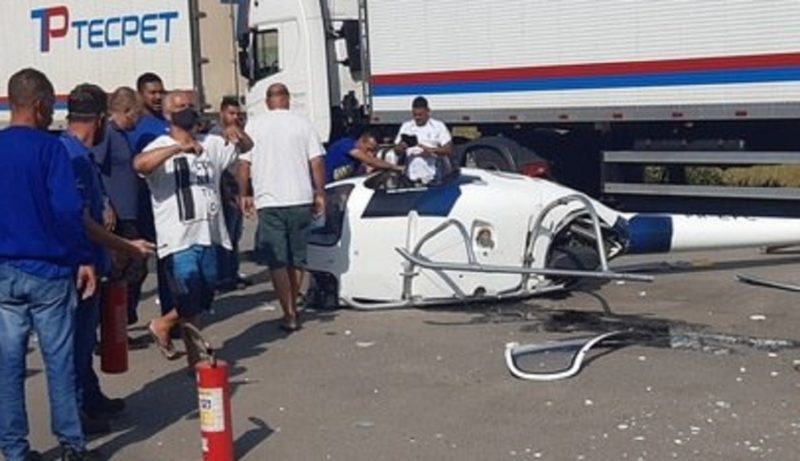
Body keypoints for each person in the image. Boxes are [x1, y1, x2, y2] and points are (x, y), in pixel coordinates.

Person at [0, 68, 98, 461]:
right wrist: (84, 258)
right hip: (49, 270)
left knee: (8, 366)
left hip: (5, 270)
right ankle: (72, 446)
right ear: (40, 105)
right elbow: (66, 209)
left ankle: (13, 449)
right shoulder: (51, 149)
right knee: (59, 362)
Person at [61, 84, 155, 436]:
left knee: (84, 343)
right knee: (74, 347)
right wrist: (127, 247)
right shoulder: (69, 155)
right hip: (79, 266)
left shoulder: (79, 154)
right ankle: (75, 414)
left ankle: (90, 397)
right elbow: (80, 221)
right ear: (100, 119)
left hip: (92, 260)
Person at [134, 91, 246, 368]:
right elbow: (140, 165)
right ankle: (194, 358)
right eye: (180, 107)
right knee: (188, 295)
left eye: (190, 106)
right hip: (178, 237)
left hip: (210, 232)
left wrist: (237, 130)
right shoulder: (159, 145)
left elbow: (244, 147)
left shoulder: (211, 144)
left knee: (204, 296)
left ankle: (162, 324)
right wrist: (177, 149)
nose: (187, 110)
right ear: (168, 114)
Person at [239, 83, 326, 332]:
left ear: (267, 102)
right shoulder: (303, 123)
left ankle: (288, 312)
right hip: (300, 197)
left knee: (278, 260)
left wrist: (244, 193)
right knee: (297, 257)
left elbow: (244, 164)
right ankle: (295, 304)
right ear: (287, 100)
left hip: (269, 200)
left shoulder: (254, 125)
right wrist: (320, 193)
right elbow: (317, 161)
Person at [92, 87, 149, 326]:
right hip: (117, 216)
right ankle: (112, 325)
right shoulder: (107, 133)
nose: (138, 120)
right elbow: (93, 167)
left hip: (129, 213)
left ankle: (120, 322)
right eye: (136, 115)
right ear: (125, 111)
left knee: (133, 269)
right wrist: (105, 203)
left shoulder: (121, 134)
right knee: (124, 270)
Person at [209, 96, 254, 291]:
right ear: (222, 113)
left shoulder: (239, 133)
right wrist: (228, 194)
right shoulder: (217, 135)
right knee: (223, 235)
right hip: (224, 193)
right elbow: (221, 170)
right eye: (231, 113)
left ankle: (232, 273)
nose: (235, 117)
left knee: (235, 235)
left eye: (238, 113)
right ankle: (222, 277)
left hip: (237, 191)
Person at [393, 96, 453, 184]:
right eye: (415, 115)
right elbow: (396, 150)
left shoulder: (438, 126)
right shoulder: (406, 127)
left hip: (432, 177)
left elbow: (448, 149)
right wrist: (401, 147)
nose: (417, 118)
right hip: (410, 178)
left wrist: (431, 151)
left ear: (428, 111)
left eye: (420, 115)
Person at [325, 129, 402, 183]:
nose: (370, 154)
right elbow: (370, 161)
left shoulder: (357, 162)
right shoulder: (346, 144)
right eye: (368, 149)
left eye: (373, 151)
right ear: (361, 141)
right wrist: (395, 167)